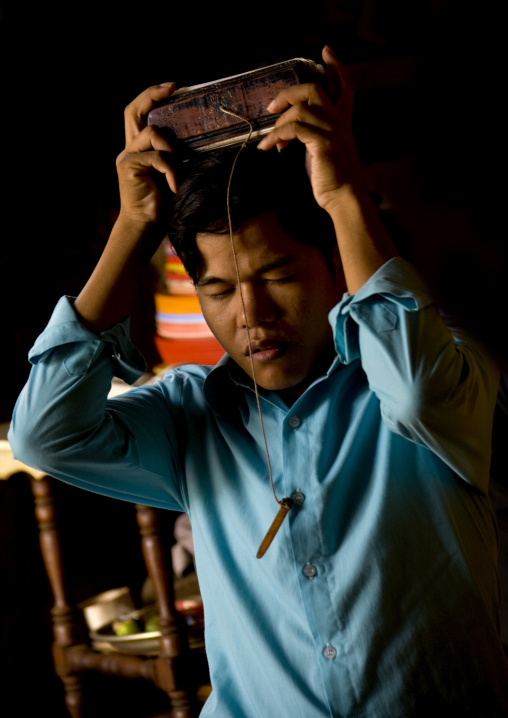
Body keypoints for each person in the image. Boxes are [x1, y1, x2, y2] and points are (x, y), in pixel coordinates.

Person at [8, 45, 508, 716]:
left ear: (333, 263)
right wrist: (132, 227)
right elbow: (43, 436)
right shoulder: (191, 419)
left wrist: (341, 193)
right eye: (217, 288)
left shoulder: (435, 375)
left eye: (277, 276)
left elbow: (416, 390)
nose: (251, 317)